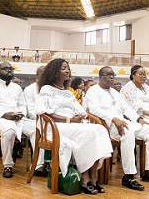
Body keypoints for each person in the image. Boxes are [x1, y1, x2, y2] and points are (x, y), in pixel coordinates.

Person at [36, 59, 113, 194]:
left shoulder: (68, 92)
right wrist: (69, 120)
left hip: (72, 124)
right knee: (86, 132)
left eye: (68, 68)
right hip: (56, 126)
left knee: (100, 129)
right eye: (63, 68)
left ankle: (93, 176)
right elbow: (46, 112)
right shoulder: (46, 89)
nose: (67, 71)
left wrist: (80, 117)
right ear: (54, 72)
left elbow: (81, 110)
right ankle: (85, 177)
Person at [85, 66, 149, 191]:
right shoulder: (94, 91)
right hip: (107, 125)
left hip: (122, 122)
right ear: (100, 77)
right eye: (108, 75)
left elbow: (126, 109)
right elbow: (94, 109)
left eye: (113, 75)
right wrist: (113, 119)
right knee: (127, 131)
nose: (112, 77)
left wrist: (140, 120)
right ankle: (129, 176)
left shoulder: (114, 92)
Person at [0, 62, 35, 178]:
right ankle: (8, 165)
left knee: (38, 128)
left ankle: (38, 165)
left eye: (11, 69)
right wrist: (4, 115)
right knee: (9, 131)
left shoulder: (17, 88)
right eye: (5, 69)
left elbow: (22, 105)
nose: (9, 71)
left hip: (18, 119)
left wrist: (21, 114)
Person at [23, 65, 48, 176]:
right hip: (31, 121)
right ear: (37, 75)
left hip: (47, 120)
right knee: (39, 130)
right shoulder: (29, 90)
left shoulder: (50, 89)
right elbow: (30, 112)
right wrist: (46, 118)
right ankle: (38, 166)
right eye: (43, 74)